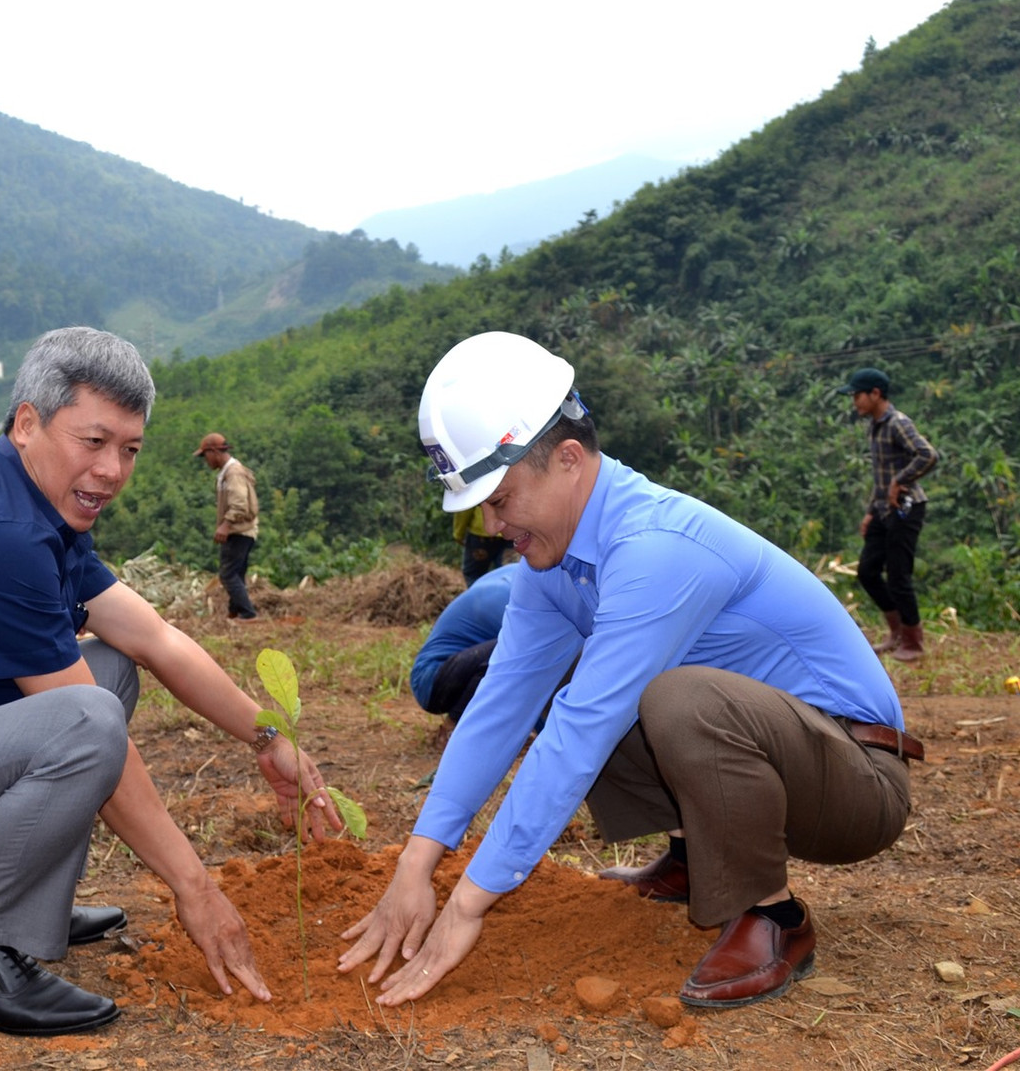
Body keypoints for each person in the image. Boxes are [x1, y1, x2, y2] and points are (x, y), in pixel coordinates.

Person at [340, 332, 917, 1011]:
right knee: (582, 684)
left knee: (673, 698)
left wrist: (467, 903)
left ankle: (775, 920)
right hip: (784, 763)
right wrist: (418, 865)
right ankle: (692, 857)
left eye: (500, 499)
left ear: (568, 459)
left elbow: (581, 732)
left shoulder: (654, 548)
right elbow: (500, 705)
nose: (493, 525)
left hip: (856, 779)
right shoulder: (550, 567)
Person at [0, 327, 335, 1038]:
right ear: (26, 424)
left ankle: (21, 905)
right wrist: (195, 889)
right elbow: (82, 724)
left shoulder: (37, 508)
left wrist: (269, 736)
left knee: (108, 672)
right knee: (87, 715)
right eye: (93, 441)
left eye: (129, 449)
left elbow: (154, 638)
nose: (111, 470)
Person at [839, 367, 939, 663]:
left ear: (875, 394)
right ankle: (896, 633)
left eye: (857, 395)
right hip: (883, 510)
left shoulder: (898, 423)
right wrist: (871, 511)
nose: (854, 401)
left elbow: (928, 455)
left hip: (907, 509)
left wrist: (900, 481)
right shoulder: (874, 425)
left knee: (898, 575)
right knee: (867, 571)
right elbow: (881, 476)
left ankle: (914, 641)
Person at [410, 562, 521, 729]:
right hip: (433, 681)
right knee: (518, 653)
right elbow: (538, 672)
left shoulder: (512, 575)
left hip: (449, 672)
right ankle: (455, 726)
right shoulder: (509, 601)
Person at [194, 432, 260, 621]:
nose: (206, 460)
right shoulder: (228, 471)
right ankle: (235, 612)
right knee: (236, 573)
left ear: (214, 452)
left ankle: (248, 614)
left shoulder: (233, 472)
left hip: (239, 531)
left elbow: (239, 504)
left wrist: (225, 525)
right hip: (243, 530)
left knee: (228, 574)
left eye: (205, 455)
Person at [454, 505, 513, 586]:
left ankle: (477, 597)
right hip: (509, 533)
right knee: (509, 574)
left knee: (474, 575)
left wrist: (459, 533)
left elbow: (464, 507)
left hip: (481, 536)